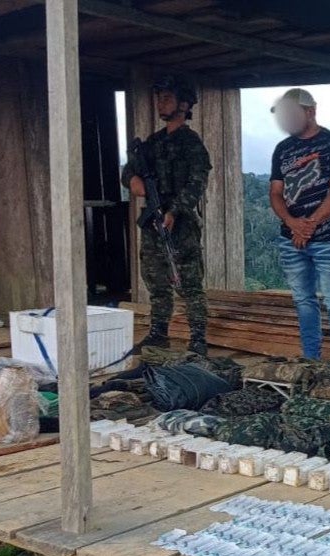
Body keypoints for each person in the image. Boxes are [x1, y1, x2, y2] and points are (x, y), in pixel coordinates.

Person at [122, 75, 212, 357]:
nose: (160, 103)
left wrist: (173, 211)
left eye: (167, 98)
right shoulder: (152, 143)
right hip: (152, 222)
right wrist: (133, 182)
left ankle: (198, 338)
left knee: (189, 282)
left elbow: (197, 184)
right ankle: (159, 333)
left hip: (181, 224)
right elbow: (129, 172)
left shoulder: (191, 143)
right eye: (159, 98)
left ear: (184, 104)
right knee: (155, 279)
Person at [268, 88, 330, 366]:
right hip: (291, 238)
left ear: (311, 111)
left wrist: (309, 226)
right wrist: (293, 224)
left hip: (326, 238)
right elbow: (275, 193)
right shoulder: (283, 149)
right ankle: (311, 360)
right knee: (303, 300)